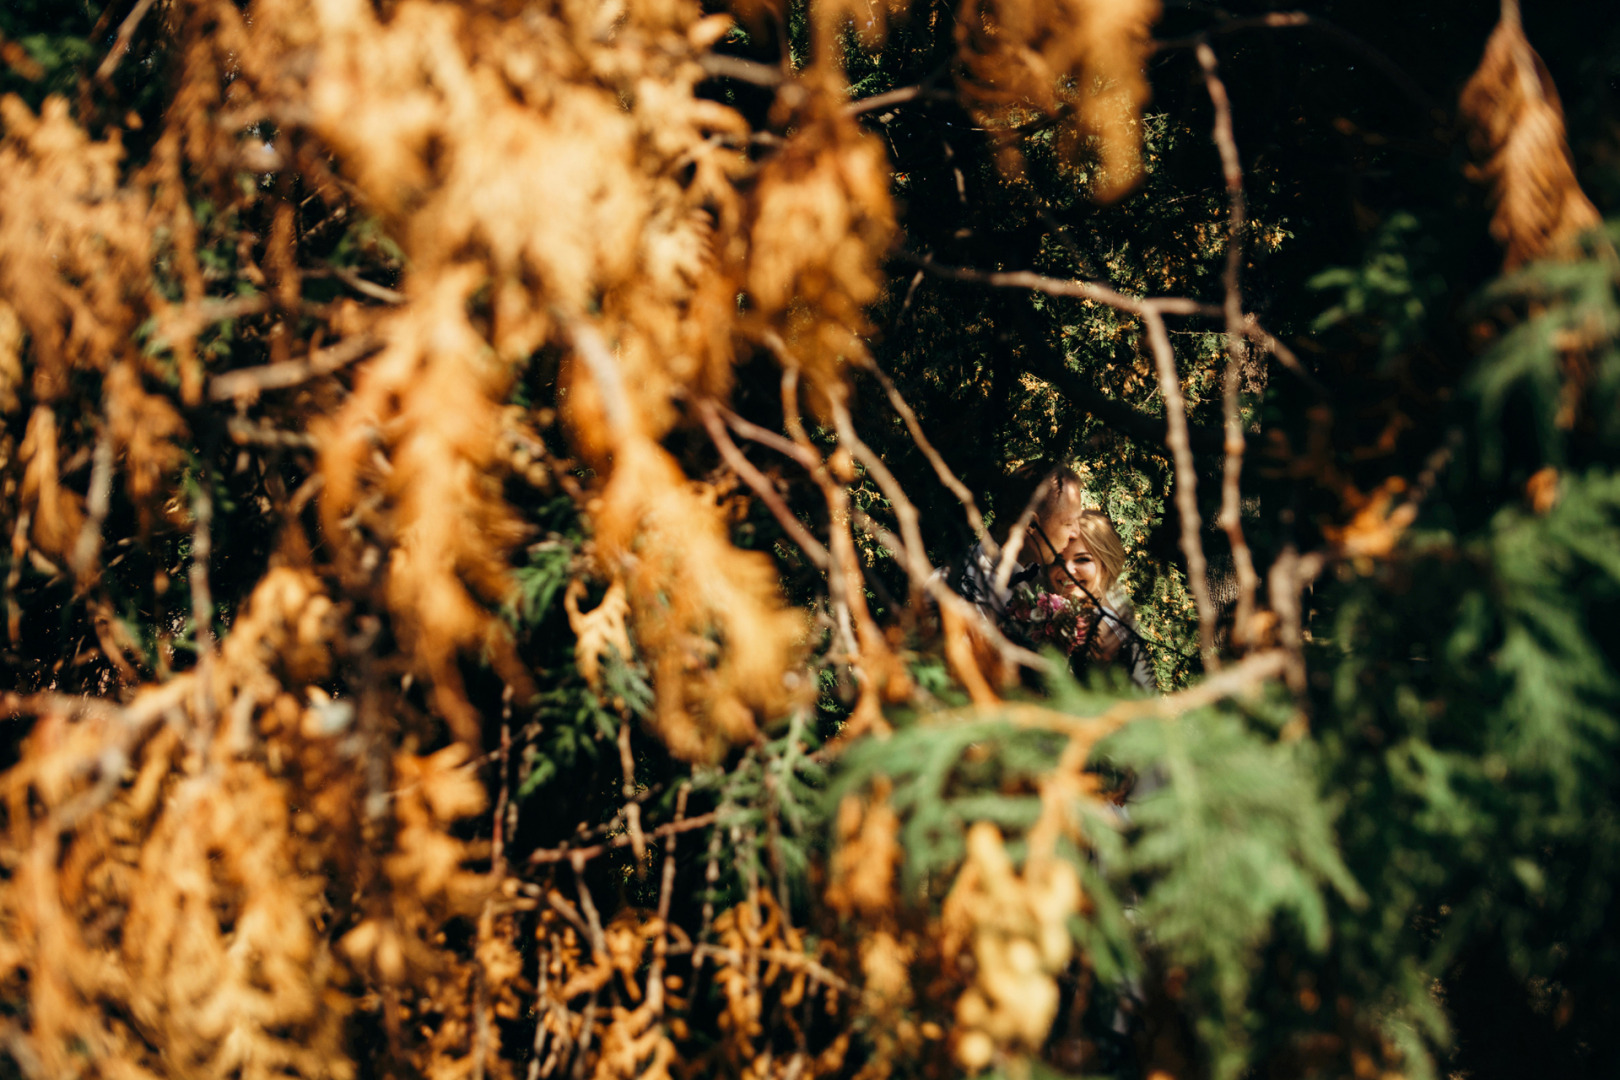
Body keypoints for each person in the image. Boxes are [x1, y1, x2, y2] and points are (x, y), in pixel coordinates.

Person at [951, 464, 1086, 623]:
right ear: (1030, 524)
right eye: (1068, 523)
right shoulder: (956, 592)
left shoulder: (1047, 575)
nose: (1076, 533)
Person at [1044, 510, 1156, 692]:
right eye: (1057, 560)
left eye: (1082, 559)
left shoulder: (1098, 629)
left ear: (1105, 563)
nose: (1068, 570)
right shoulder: (1093, 611)